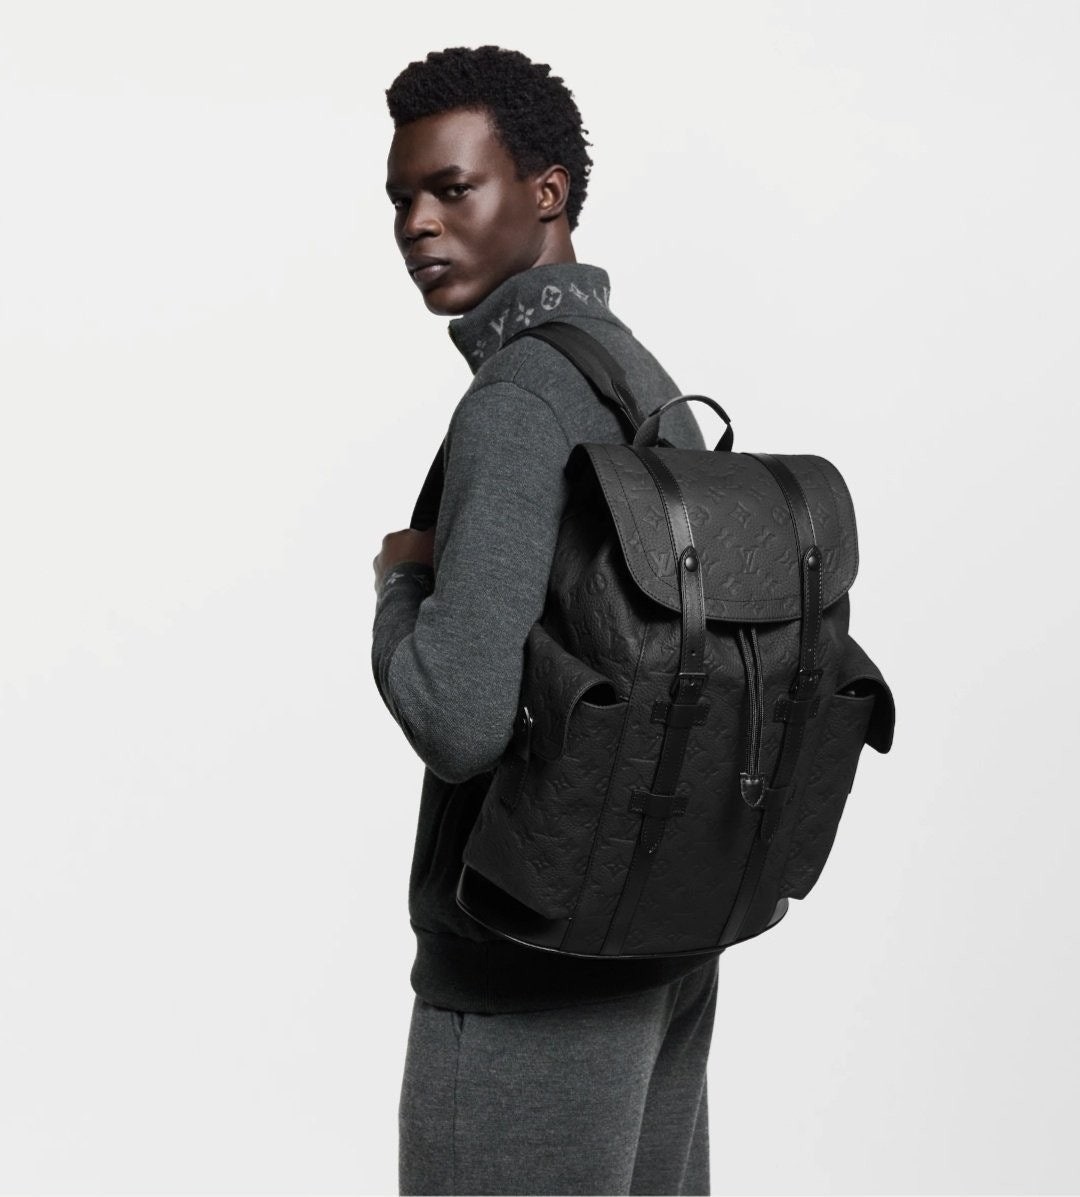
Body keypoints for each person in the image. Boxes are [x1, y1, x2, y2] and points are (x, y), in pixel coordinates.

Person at [371, 45, 722, 1196]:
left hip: (527, 969)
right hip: (663, 944)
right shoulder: (641, 379)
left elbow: (461, 719)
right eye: (400, 199)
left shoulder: (519, 397)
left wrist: (400, 587)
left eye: (451, 188)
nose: (418, 224)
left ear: (547, 190)